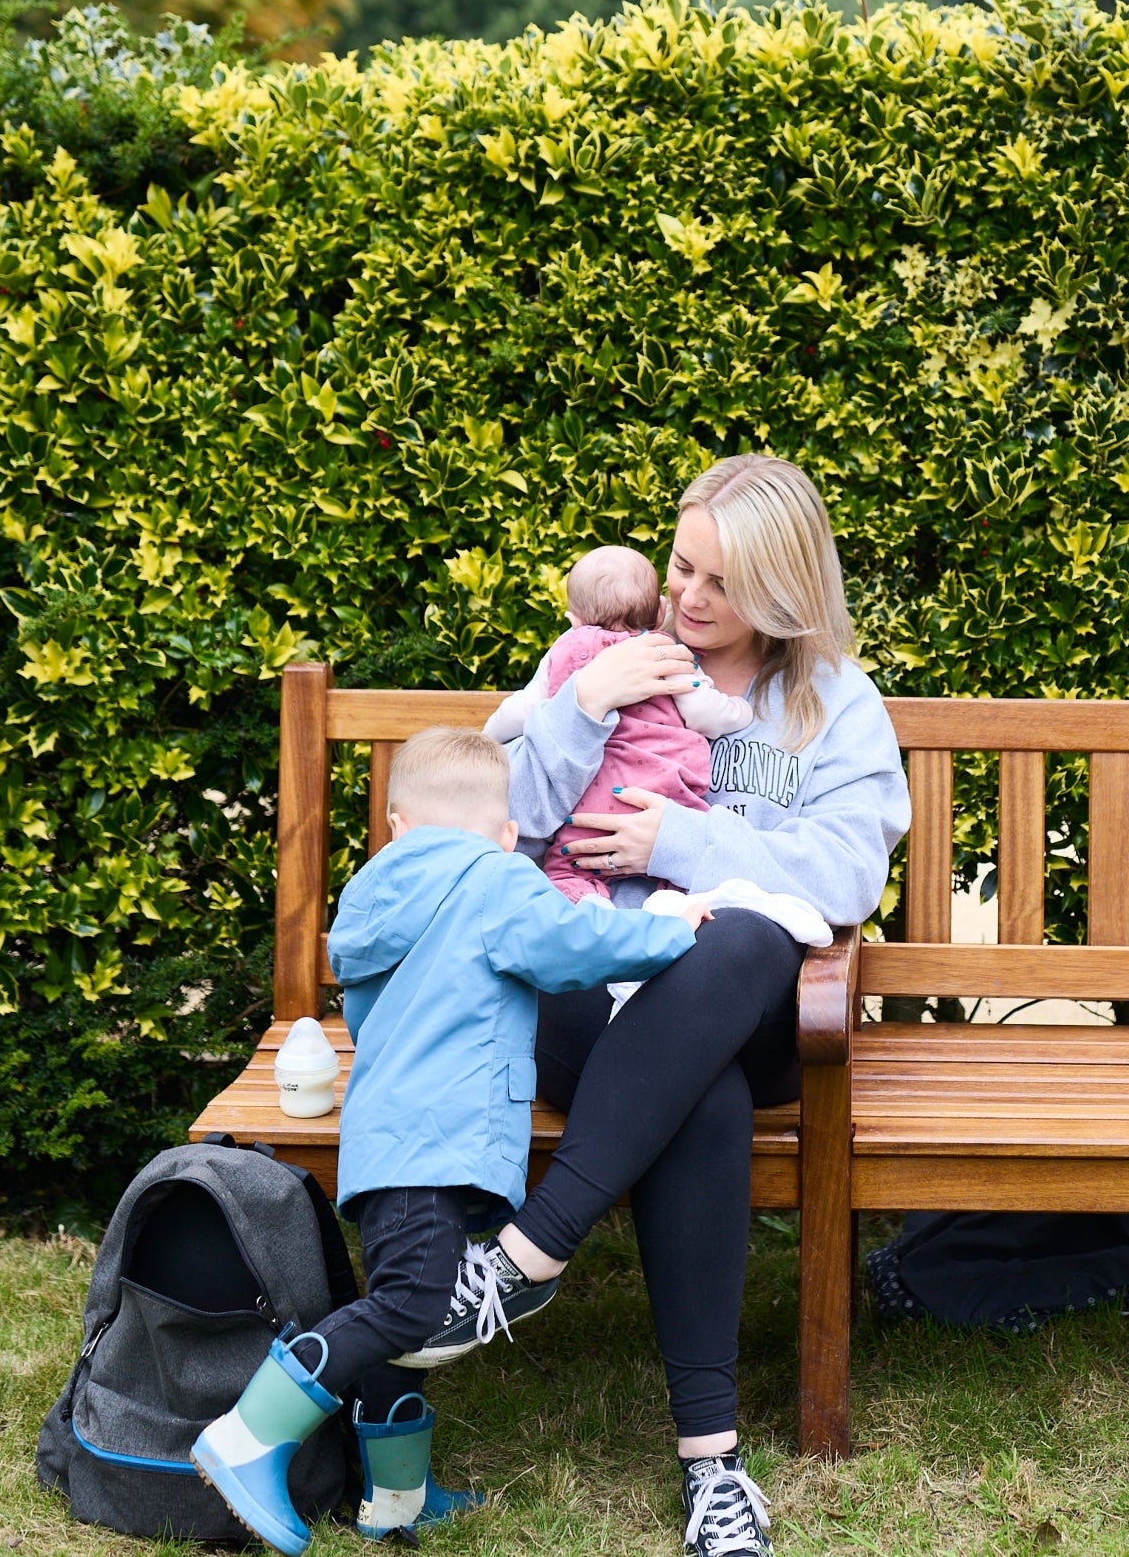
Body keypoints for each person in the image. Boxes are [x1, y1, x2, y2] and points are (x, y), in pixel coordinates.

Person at [409, 454, 909, 1557]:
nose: (686, 598)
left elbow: (840, 878)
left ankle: (527, 1252)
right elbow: (497, 823)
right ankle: (713, 1464)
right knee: (704, 1091)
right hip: (593, 995)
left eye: (720, 585)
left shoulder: (834, 706)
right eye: (683, 565)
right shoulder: (598, 658)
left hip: (755, 1002)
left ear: (783, 592)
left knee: (740, 930)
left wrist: (676, 843)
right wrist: (580, 710)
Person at [190, 728, 711, 1557]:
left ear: (397, 824)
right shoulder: (496, 879)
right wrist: (674, 924)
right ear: (505, 833)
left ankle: (396, 1500)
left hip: (390, 1136)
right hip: (445, 1137)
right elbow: (576, 948)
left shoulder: (371, 898)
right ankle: (249, 1434)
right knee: (412, 1306)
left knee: (407, 1307)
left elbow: (368, 1016)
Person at [486, 545, 755, 903]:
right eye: (683, 568)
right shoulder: (665, 652)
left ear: (573, 620)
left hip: (587, 813)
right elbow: (704, 713)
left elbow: (522, 709)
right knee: (678, 881)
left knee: (566, 869)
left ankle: (587, 903)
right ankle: (670, 903)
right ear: (661, 612)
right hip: (662, 796)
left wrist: (489, 735)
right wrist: (742, 711)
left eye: (719, 583)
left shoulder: (565, 651)